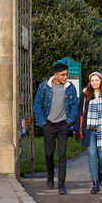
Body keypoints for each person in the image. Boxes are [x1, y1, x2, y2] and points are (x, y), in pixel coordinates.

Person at [33, 63, 79, 195]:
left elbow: (75, 105)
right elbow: (37, 105)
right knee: (48, 154)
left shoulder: (70, 88)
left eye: (66, 74)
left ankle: (62, 185)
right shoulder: (44, 87)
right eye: (62, 75)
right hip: (48, 125)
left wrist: (69, 121)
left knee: (62, 154)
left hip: (63, 125)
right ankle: (49, 175)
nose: (66, 77)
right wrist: (43, 123)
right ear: (55, 75)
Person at [74, 71, 102, 194]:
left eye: (97, 80)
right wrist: (77, 129)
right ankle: (95, 182)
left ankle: (100, 172)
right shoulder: (85, 95)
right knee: (92, 156)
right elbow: (80, 112)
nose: (95, 83)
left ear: (101, 81)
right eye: (92, 81)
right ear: (90, 82)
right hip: (89, 130)